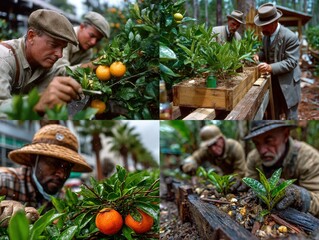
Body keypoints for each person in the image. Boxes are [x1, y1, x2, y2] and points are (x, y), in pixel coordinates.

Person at [0, 124, 92, 224]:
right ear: (33, 159)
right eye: (53, 163)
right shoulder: (5, 180)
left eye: (67, 167)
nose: (62, 175)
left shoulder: (64, 200)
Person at [0, 9, 83, 115]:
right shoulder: (3, 59)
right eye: (54, 45)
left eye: (63, 48)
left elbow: (61, 73)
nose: (60, 54)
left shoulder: (43, 66)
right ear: (31, 36)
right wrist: (37, 102)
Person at [243, 121, 319, 217]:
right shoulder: (254, 158)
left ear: (286, 135)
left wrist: (299, 196)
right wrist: (243, 187)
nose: (262, 151)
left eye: (269, 141)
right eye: (256, 143)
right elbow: (251, 186)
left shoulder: (309, 159)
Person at [253, 3, 301, 120]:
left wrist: (270, 67)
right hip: (273, 84)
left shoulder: (290, 37)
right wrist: (258, 55)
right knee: (274, 112)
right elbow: (264, 51)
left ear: (275, 22)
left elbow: (291, 62)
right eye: (261, 25)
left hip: (288, 84)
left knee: (290, 115)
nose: (263, 28)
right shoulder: (266, 36)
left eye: (266, 25)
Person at [182, 125, 246, 178]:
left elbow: (240, 172)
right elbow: (194, 158)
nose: (213, 149)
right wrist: (188, 164)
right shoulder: (206, 150)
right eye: (209, 146)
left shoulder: (235, 147)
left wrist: (227, 182)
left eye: (215, 144)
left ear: (221, 139)